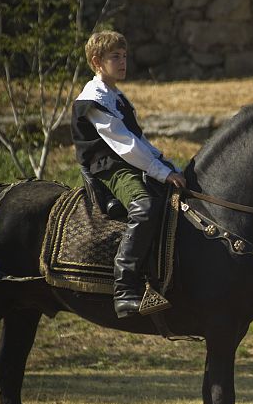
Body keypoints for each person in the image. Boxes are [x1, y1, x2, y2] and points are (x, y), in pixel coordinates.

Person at [71, 31, 186, 318]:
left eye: (124, 56)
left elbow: (139, 141)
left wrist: (167, 165)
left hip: (127, 161)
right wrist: (159, 171)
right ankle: (125, 291)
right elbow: (124, 145)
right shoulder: (93, 100)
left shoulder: (116, 95)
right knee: (145, 207)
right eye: (115, 57)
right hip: (109, 168)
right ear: (97, 62)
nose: (122, 62)